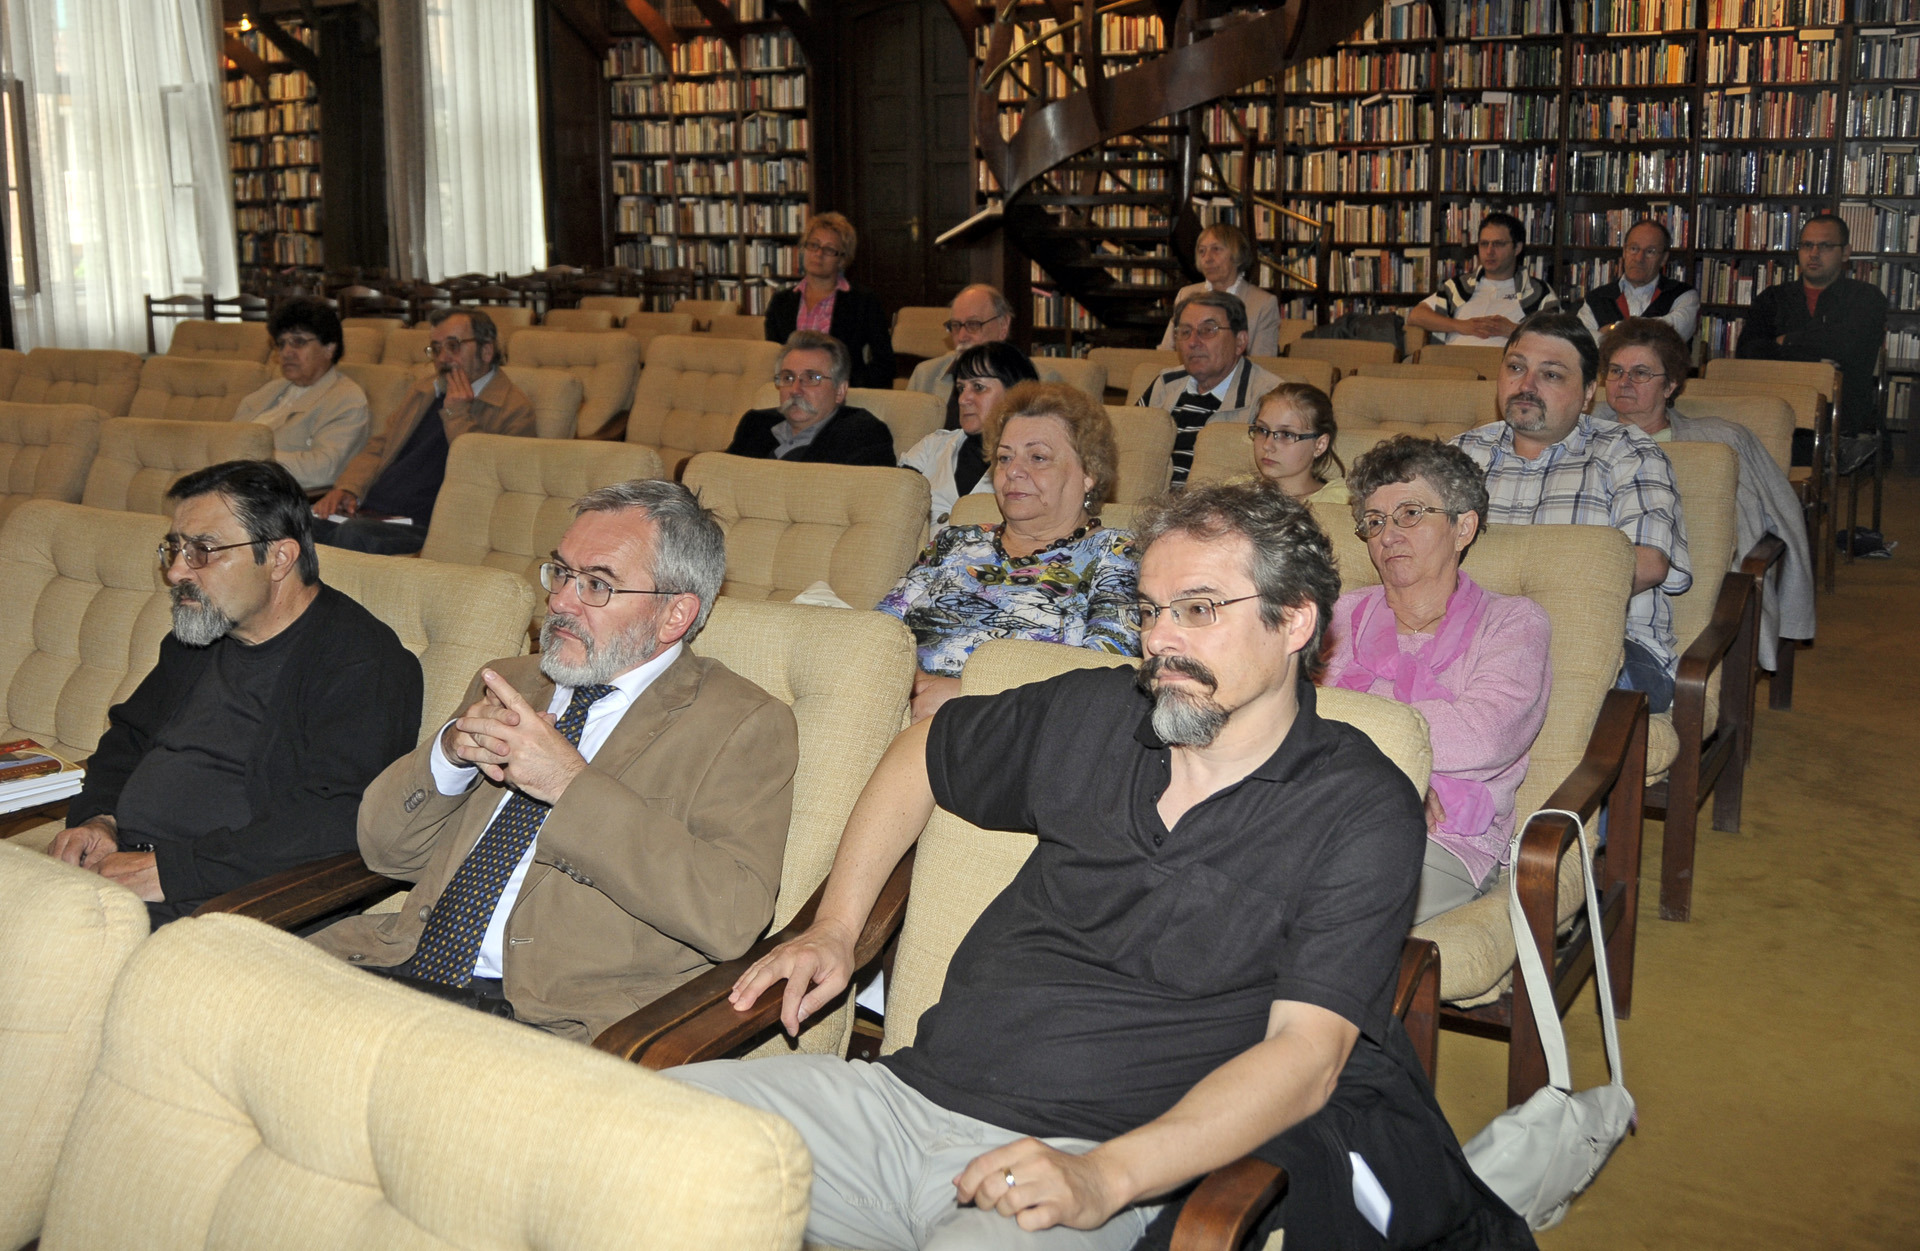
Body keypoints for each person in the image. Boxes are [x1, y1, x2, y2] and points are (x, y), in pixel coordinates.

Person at [670, 482, 1533, 1251]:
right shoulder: (1095, 712)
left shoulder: (1355, 803)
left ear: (1295, 620)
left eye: (1199, 609)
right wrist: (836, 925)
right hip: (897, 1103)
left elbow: (1307, 1056)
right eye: (1150, 608)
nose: (1159, 638)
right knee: (637, 1130)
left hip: (1089, 1158)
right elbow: (925, 749)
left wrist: (1104, 1178)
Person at [310, 481, 799, 1041]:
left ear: (675, 615)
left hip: (552, 1021)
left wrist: (570, 785)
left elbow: (732, 917)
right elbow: (384, 850)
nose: (561, 601)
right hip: (397, 967)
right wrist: (449, 754)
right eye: (562, 573)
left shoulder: (740, 723)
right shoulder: (510, 682)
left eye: (597, 584)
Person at [46, 460, 421, 926]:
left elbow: (337, 819)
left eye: (203, 551)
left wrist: (172, 872)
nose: (176, 572)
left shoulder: (362, 662)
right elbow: (129, 737)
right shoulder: (200, 635)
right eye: (175, 549)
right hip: (126, 867)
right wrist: (100, 818)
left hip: (225, 899)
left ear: (279, 558)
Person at [1322, 436, 1552, 924]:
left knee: (1317, 900)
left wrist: (1372, 763)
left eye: (1410, 514)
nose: (1388, 536)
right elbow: (1293, 714)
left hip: (1445, 840)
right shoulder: (1339, 615)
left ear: (1463, 526)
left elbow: (1484, 735)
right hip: (1325, 811)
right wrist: (1391, 783)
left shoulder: (1512, 622)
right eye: (1375, 521)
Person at [1454, 312, 1690, 713]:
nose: (1526, 386)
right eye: (1516, 368)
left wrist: (1518, 613)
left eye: (1551, 375)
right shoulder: (1461, 453)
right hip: (1466, 636)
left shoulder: (1628, 453)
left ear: (1588, 393)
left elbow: (1648, 563)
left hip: (1606, 642)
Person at [879, 381, 1137, 723]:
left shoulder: (1117, 554)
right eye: (1004, 457)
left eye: (1038, 457)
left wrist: (967, 694)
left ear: (1088, 473)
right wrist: (910, 685)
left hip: (1012, 725)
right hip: (893, 709)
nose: (1013, 471)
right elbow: (878, 631)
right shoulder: (953, 541)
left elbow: (1104, 673)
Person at [1600, 317, 1815, 672]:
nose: (1623, 382)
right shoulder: (1579, 434)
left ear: (1670, 385)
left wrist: (1793, 610)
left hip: (1689, 581)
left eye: (1640, 373)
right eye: (1615, 371)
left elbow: (1786, 516)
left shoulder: (1721, 440)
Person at [311, 307, 534, 555]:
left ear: (486, 351)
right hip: (375, 512)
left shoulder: (514, 409)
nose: (442, 358)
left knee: (353, 536)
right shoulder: (425, 389)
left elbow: (490, 478)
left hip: (430, 524)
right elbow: (380, 447)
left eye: (453, 346)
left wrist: (456, 413)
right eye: (436, 349)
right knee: (297, 523)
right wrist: (348, 488)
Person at [1736, 212, 1889, 439]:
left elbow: (1846, 347)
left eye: (1825, 246)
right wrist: (1817, 361)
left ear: (1845, 252)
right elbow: (1747, 352)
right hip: (1777, 413)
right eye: (1807, 245)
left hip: (1841, 419)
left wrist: (1784, 341)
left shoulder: (1866, 297)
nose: (1814, 253)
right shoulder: (1773, 298)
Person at [1138, 291, 1284, 485]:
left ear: (1240, 341)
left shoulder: (1270, 397)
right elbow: (1128, 450)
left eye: (1208, 330)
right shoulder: (1165, 384)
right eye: (1185, 332)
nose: (1193, 342)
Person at [232, 296, 371, 489]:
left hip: (274, 494)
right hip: (236, 483)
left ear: (329, 348)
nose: (286, 352)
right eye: (281, 343)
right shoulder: (270, 390)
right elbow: (230, 437)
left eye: (298, 342)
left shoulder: (346, 399)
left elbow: (323, 470)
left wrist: (249, 458)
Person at [898, 341, 1039, 528]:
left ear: (1016, 393)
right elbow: (892, 512)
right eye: (961, 388)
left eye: (978, 387)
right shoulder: (931, 447)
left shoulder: (1036, 463)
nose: (963, 399)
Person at [763, 211, 895, 389]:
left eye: (829, 249)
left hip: (842, 395)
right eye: (813, 245)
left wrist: (847, 388)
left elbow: (885, 363)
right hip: (791, 391)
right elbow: (772, 359)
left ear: (842, 259)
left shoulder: (864, 302)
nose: (819, 253)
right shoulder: (780, 302)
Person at [725, 330, 896, 466]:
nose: (795, 390)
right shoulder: (755, 424)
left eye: (812, 378)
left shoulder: (862, 435)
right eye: (788, 378)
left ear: (840, 391)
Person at [1406, 212, 1561, 348]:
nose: (1489, 251)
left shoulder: (1536, 291)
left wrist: (1513, 330)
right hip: (1453, 365)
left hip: (1502, 366)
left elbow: (1558, 335)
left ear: (1517, 248)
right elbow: (1416, 315)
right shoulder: (1459, 286)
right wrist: (1461, 326)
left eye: (1498, 244)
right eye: (1484, 244)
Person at [1157, 222, 1283, 358]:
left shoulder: (1263, 304)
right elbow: (1165, 354)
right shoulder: (1186, 296)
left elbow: (1262, 363)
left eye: (1216, 249)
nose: (1207, 258)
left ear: (1238, 255)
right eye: (1202, 251)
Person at [907, 284, 1016, 429]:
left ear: (1003, 326)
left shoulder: (1033, 380)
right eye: (956, 325)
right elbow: (909, 437)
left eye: (973, 324)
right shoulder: (925, 376)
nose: (962, 337)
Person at [1575, 219, 1700, 344]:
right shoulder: (1596, 298)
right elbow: (1582, 344)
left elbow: (1672, 334)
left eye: (1650, 251)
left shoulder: (1684, 295)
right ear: (1624, 252)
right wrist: (1647, 335)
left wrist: (1613, 329)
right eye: (1634, 249)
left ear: (1663, 258)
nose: (1639, 258)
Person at [1247, 382, 1347, 504]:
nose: (1267, 445)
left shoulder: (1339, 502)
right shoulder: (1239, 490)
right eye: (1262, 430)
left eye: (1286, 434)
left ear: (1319, 445)